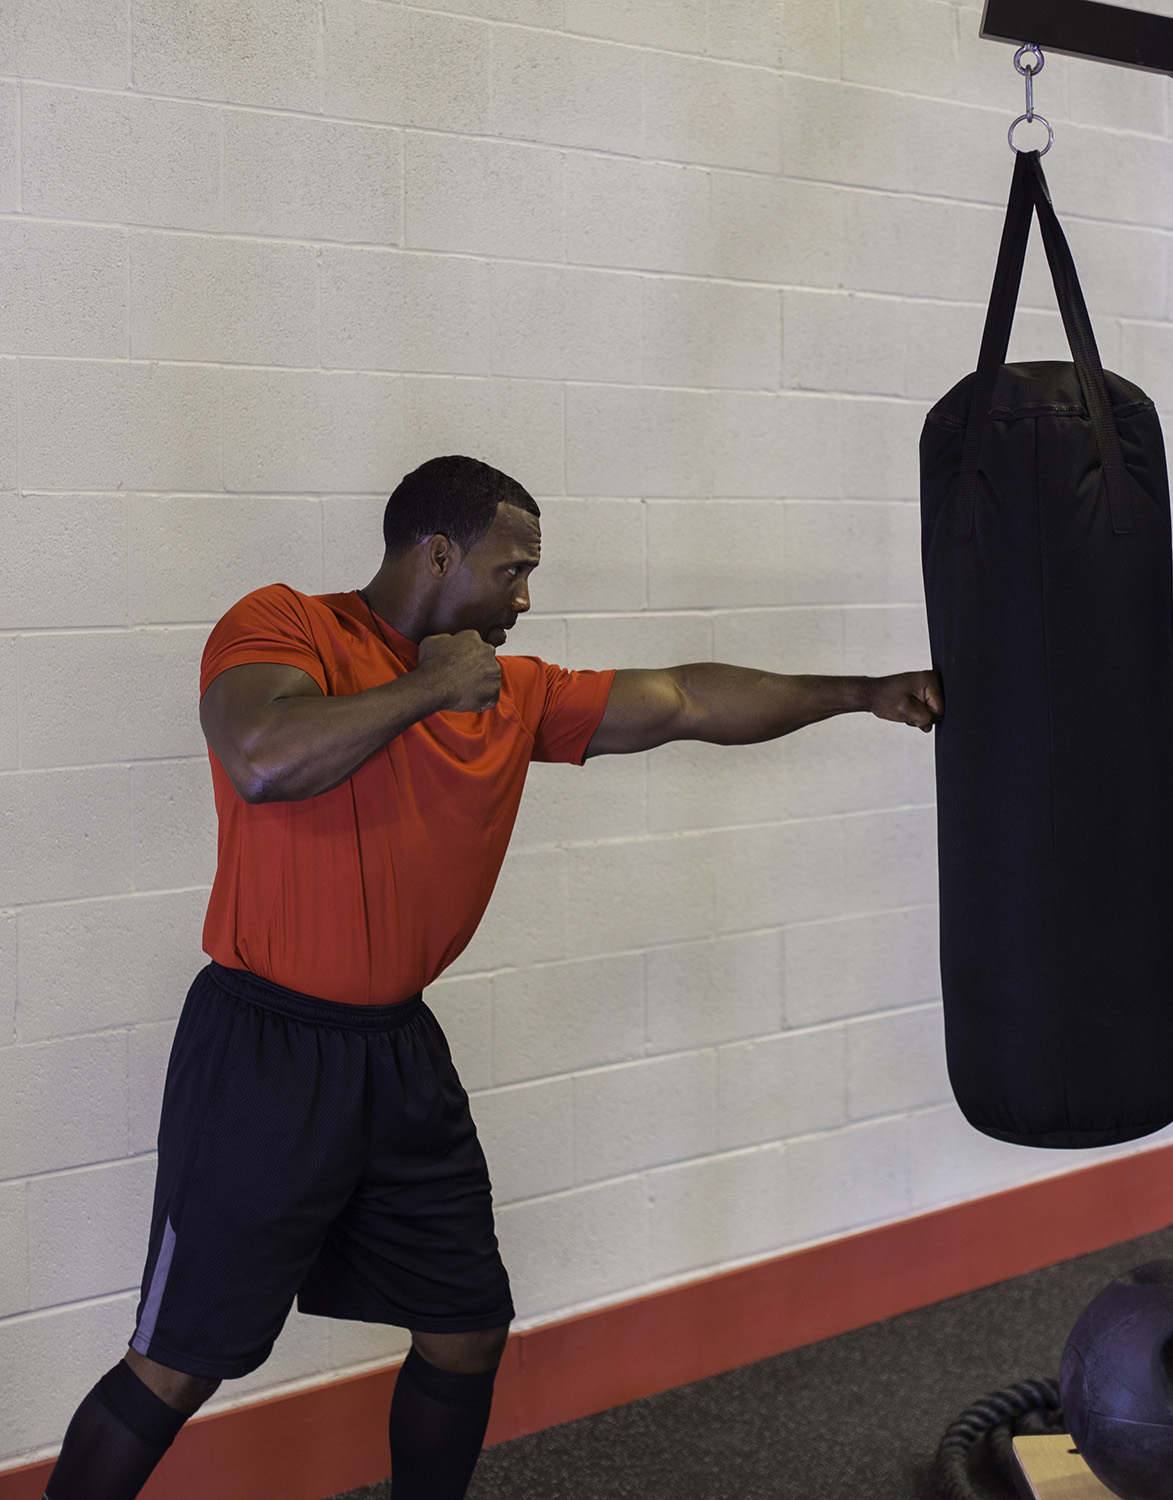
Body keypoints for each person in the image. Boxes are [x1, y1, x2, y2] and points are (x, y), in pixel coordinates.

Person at [44, 455, 944, 1500]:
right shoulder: (285, 625)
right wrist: (429, 687)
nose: (523, 598)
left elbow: (686, 700)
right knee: (177, 1364)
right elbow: (259, 756)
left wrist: (863, 693)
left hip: (397, 1053)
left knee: (467, 1328)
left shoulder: (512, 695)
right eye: (510, 570)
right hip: (265, 1052)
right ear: (437, 554)